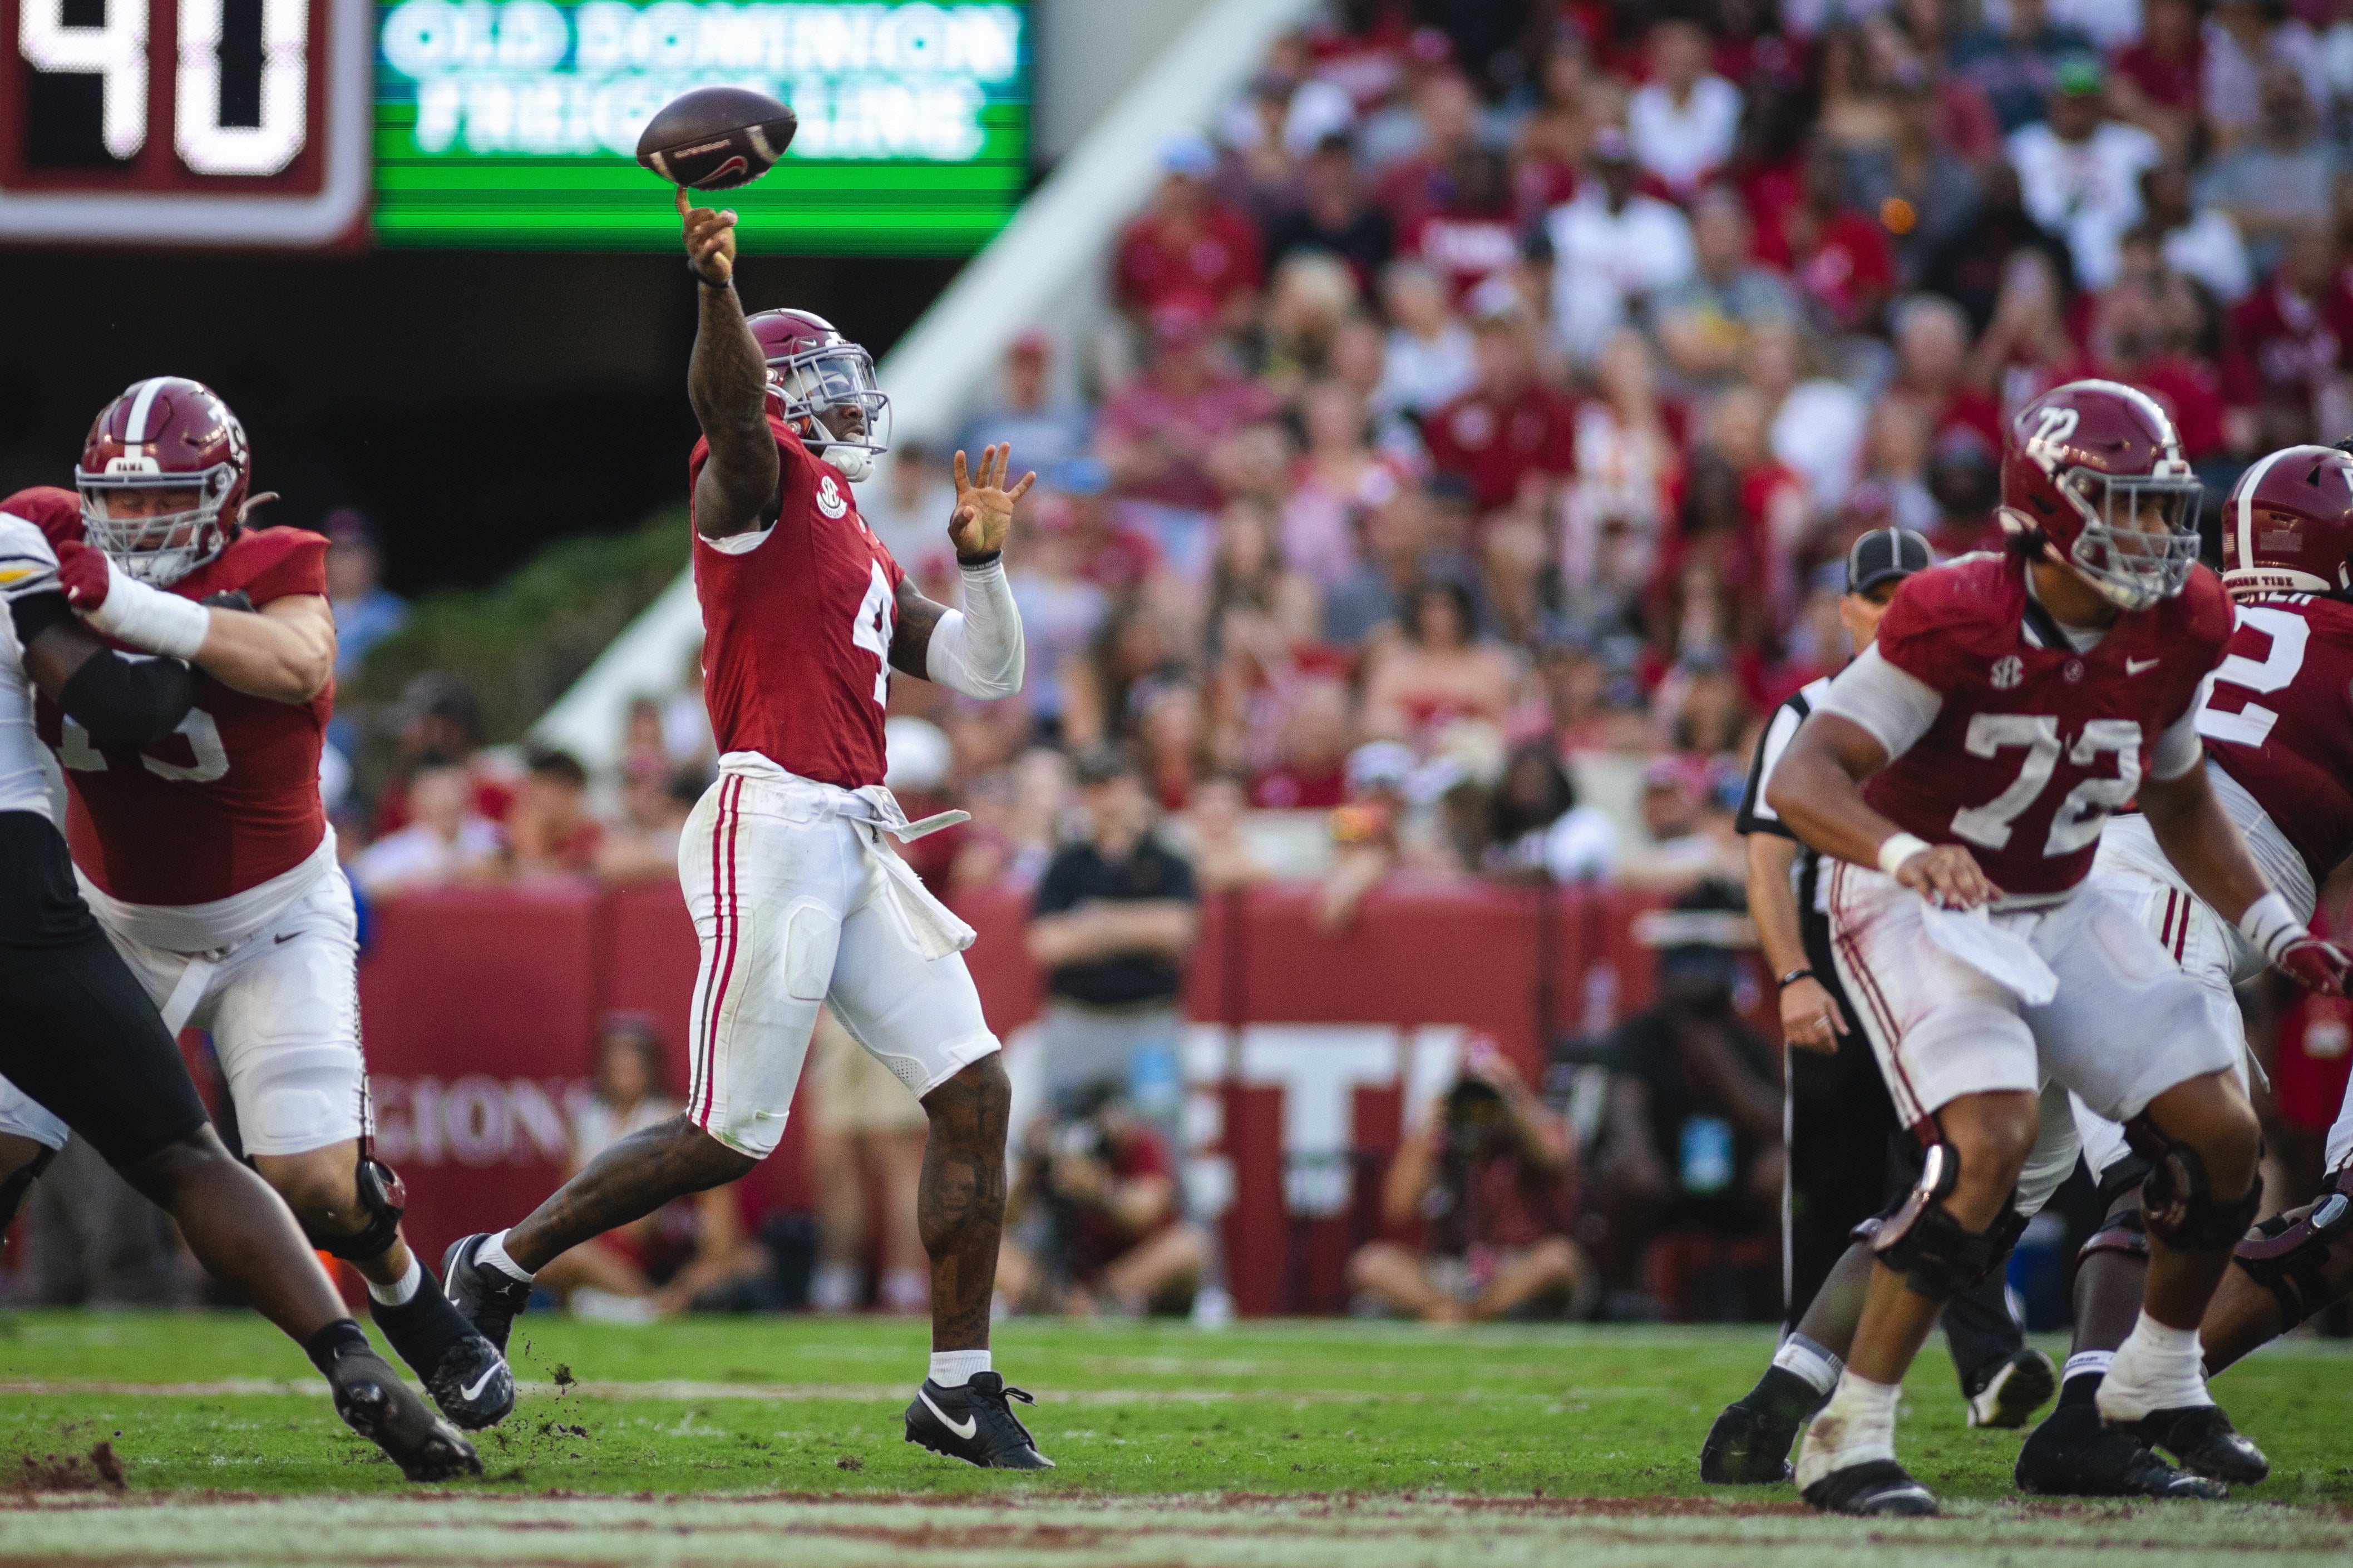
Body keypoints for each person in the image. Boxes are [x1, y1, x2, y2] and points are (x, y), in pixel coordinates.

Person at [441, 190, 1051, 1471]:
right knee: (731, 1130)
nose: (847, 399)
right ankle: (497, 1261)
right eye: (819, 379)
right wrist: (717, 287)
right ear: (777, 391)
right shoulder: (759, 480)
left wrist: (986, 564)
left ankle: (957, 1381)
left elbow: (987, 674)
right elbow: (726, 414)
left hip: (852, 832)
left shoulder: (858, 534)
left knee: (976, 1088)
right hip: (770, 815)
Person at [1767, 381, 2347, 1516]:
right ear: (2048, 508)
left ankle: (2145, 1378)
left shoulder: (2181, 615)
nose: (2151, 533)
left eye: (2158, 506)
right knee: (1984, 1156)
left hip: (2075, 891)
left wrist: (2279, 927)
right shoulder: (1947, 612)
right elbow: (1801, 781)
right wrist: (1900, 856)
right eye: (2122, 506)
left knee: (2212, 1131)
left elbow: (2181, 793)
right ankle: (1856, 1428)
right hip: (1922, 891)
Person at [1, 393, 512, 1435]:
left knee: (318, 1183)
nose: (138, 527)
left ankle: (407, 1294)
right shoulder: (46, 535)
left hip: (272, 915)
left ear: (226, 497)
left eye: (167, 501)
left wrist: (128, 605)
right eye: (119, 503)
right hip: (102, 918)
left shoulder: (280, 560)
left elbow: (298, 661)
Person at [2014, 446, 2353, 1495]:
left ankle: (1793, 1393)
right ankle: (2092, 1416)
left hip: (2051, 870)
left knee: (1968, 1192)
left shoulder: (2179, 614)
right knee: (2179, 1165)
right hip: (2155, 888)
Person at [1702, 527, 2047, 1491]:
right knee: (1833, 1174)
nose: (1893, 609)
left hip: (1938, 944)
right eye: (1877, 594)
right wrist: (1789, 976)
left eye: (1912, 592)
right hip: (1836, 946)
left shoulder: (1965, 702)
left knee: (1946, 1154)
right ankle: (1794, 1385)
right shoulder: (1810, 709)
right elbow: (1768, 857)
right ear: (1845, 608)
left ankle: (1981, 1357)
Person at [1587, 887, 1785, 1314]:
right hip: (1664, 1175)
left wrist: (1715, 1058)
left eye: (1707, 963)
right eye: (1685, 963)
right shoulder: (1639, 1038)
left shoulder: (1749, 1043)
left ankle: (1781, 1302)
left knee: (1781, 1174)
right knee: (1621, 1173)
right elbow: (1624, 1108)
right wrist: (1639, 1160)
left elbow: (1774, 1123)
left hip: (1736, 1179)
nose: (1696, 976)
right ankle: (1627, 1301)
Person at [1026, 745, 1200, 1160]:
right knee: (1064, 1138)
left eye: (1109, 785)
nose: (1101, 798)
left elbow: (1178, 930)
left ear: (1132, 787)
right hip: (1079, 1020)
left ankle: (1169, 1221)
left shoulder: (1165, 859)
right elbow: (1047, 943)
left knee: (1160, 1136)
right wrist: (1138, 929)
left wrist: (1096, 920)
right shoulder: (1067, 864)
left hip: (1149, 1022)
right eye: (1091, 788)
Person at [529, 1015, 761, 1317]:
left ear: (652, 1066)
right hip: (599, 1249)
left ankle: (651, 1305)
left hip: (657, 1258)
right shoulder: (586, 1120)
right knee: (545, 1254)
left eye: (633, 1057)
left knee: (747, 1260)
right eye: (616, 1058)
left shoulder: (674, 1122)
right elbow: (567, 1206)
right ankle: (632, 1306)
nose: (623, 1067)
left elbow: (719, 1237)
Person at [1347, 1042, 1579, 1322]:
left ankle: (1468, 1317)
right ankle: (1446, 1310)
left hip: (1517, 1268)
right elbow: (1398, 1208)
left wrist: (1511, 1099)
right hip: (1451, 1272)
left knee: (1559, 1260)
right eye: (1471, 1096)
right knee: (1371, 1264)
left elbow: (1554, 1160)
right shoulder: (1444, 1138)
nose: (1479, 1108)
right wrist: (1431, 1122)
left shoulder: (1529, 1129)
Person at [996, 1080, 1208, 1317]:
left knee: (1189, 1245)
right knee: (991, 1253)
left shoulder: (1138, 1145)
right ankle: (1065, 1308)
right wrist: (1030, 1166)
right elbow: (1005, 1222)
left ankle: (1102, 1306)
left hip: (1122, 1276)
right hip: (1062, 1281)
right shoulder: (1050, 1158)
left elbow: (1144, 1210)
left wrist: (1097, 1189)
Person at [351, 754, 504, 896]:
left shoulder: (493, 836)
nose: (448, 802)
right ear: (414, 801)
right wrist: (445, 875)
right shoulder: (393, 851)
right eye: (437, 793)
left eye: (454, 791)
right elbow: (363, 887)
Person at [321, 508, 406, 679]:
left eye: (352, 550)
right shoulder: (304, 608)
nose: (344, 562)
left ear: (374, 559)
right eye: (336, 551)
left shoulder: (396, 615)